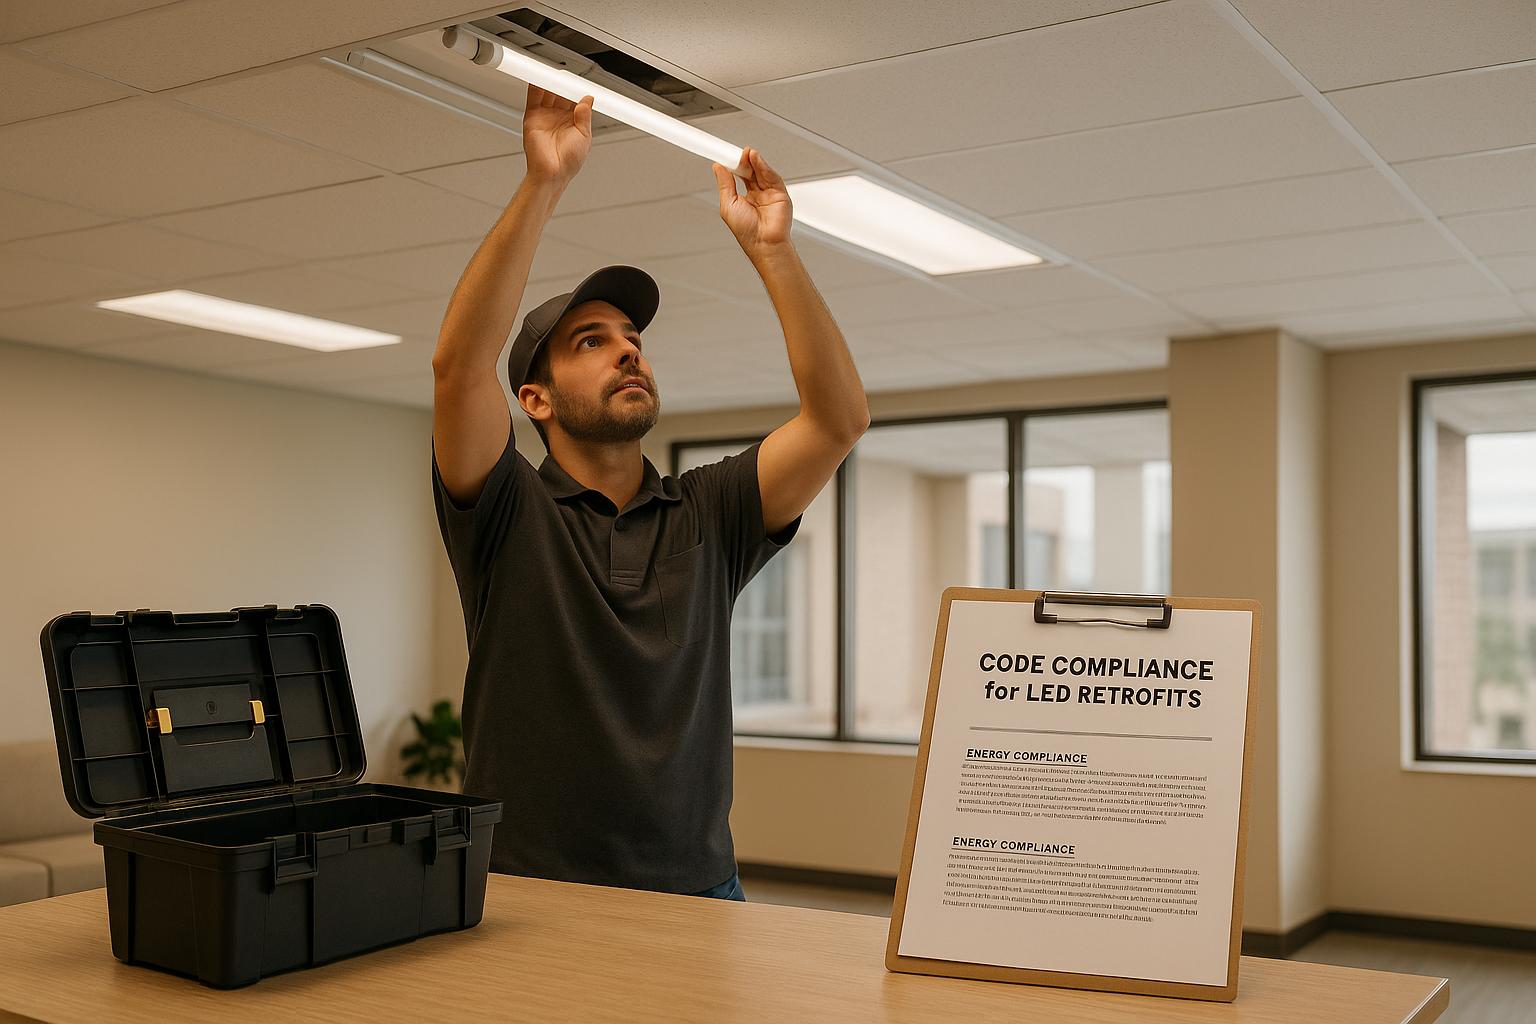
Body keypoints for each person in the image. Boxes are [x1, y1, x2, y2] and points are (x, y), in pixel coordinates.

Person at [430, 83, 869, 901]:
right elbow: (459, 368)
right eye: (590, 342)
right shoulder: (506, 510)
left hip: (699, 890)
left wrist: (774, 253)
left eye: (633, 339)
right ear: (536, 399)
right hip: (534, 894)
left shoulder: (710, 512)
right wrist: (544, 182)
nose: (629, 352)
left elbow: (838, 420)